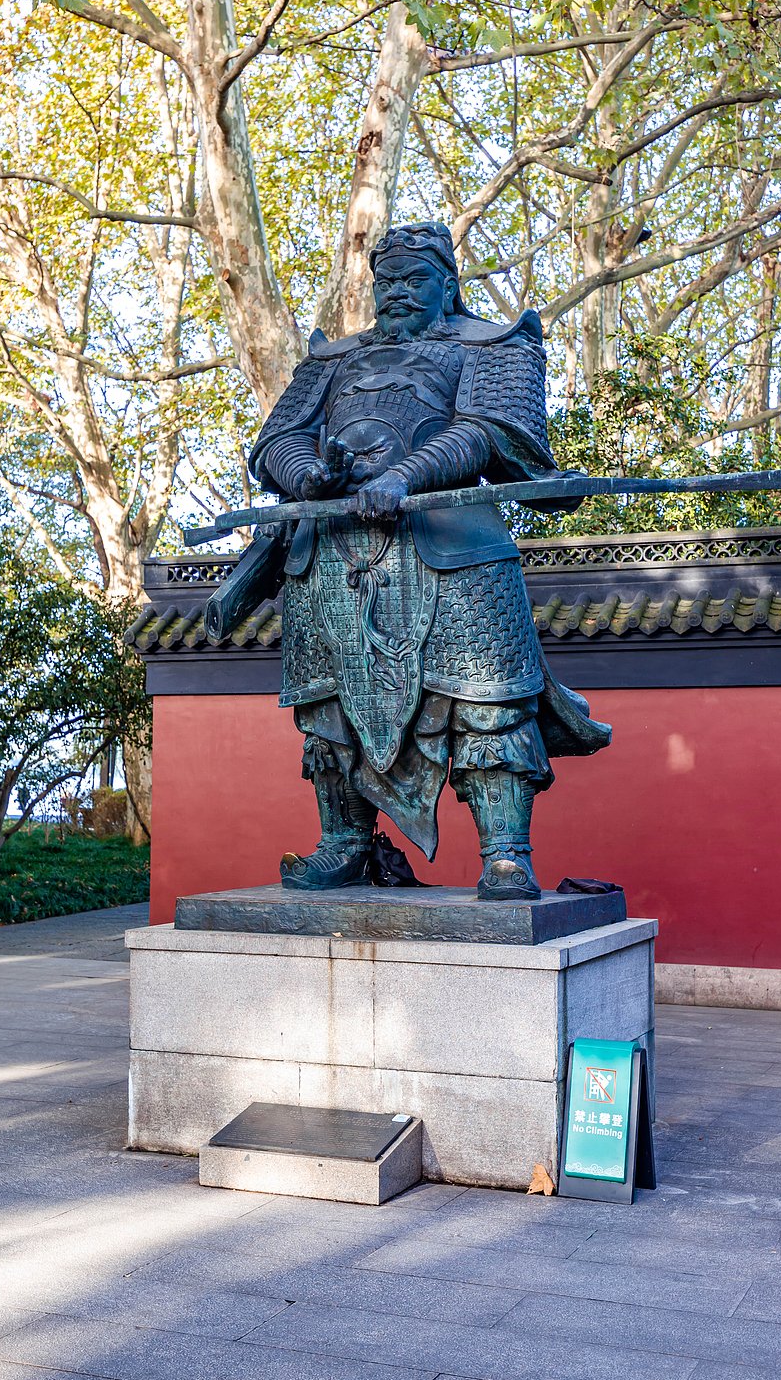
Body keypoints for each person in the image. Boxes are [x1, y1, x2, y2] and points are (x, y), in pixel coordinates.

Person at [250, 221, 610, 900]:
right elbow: (278, 440)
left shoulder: (496, 344)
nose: (398, 292)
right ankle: (344, 844)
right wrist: (308, 477)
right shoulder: (330, 360)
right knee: (329, 710)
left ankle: (505, 854)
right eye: (386, 281)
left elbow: (489, 431)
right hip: (331, 555)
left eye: (415, 279)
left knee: (487, 702)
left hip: (454, 551)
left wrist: (405, 477)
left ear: (448, 284)